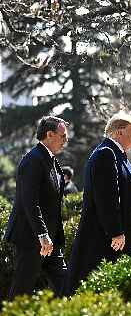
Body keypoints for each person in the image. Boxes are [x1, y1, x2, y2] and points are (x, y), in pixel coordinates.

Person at [64, 111, 131, 295]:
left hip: (118, 239)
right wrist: (116, 232)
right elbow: (106, 197)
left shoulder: (118, 154)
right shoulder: (106, 154)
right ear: (120, 131)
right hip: (107, 240)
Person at [3, 116, 69, 299]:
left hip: (51, 241)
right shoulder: (32, 160)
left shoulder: (52, 161)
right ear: (49, 134)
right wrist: (43, 235)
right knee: (21, 293)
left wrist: (51, 237)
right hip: (31, 239)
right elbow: (30, 201)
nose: (66, 141)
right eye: (63, 136)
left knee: (65, 285)